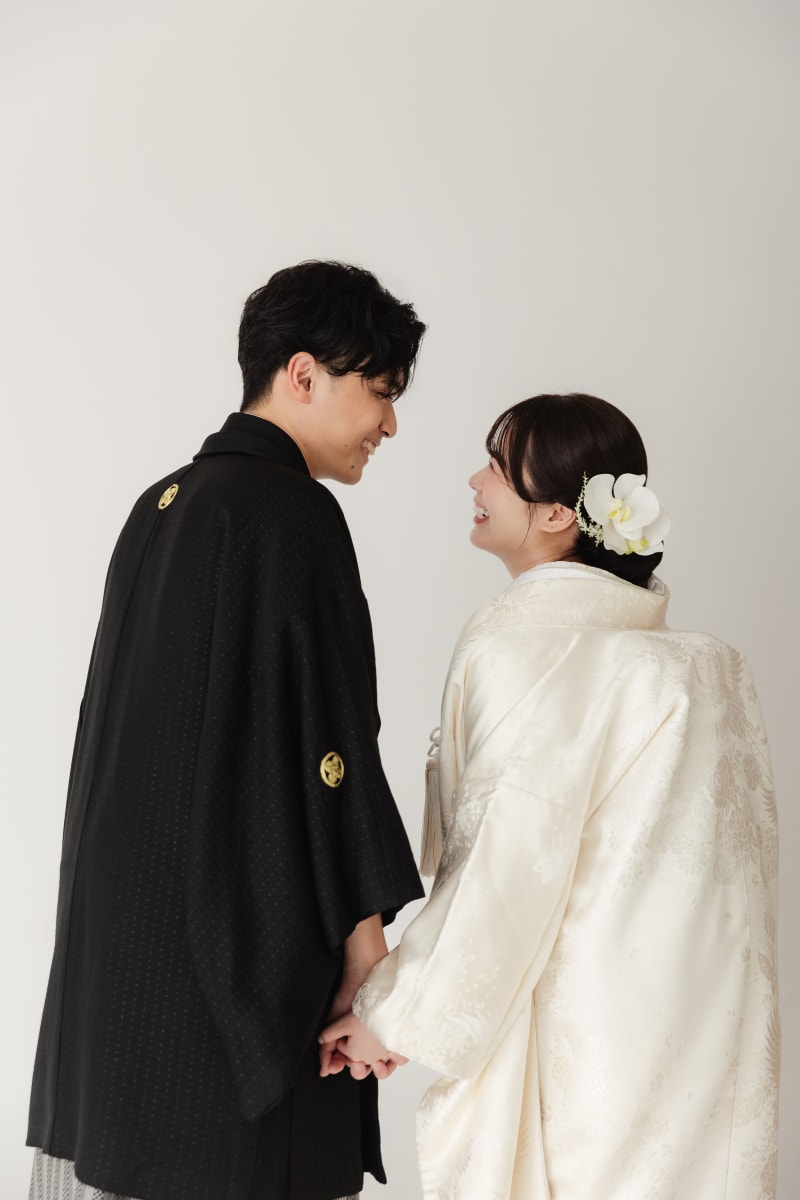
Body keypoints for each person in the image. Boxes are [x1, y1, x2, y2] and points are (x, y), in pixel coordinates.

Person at [27, 260, 427, 1200]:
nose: (390, 425)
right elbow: (331, 740)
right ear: (303, 374)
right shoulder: (293, 512)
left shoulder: (162, 504)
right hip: (233, 945)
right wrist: (366, 950)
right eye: (380, 391)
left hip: (123, 949)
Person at [321, 393, 780, 1200]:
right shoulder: (710, 667)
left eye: (498, 469)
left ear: (560, 514)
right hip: (704, 1041)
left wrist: (391, 1013)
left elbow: (508, 862)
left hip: (585, 1049)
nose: (476, 481)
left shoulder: (532, 650)